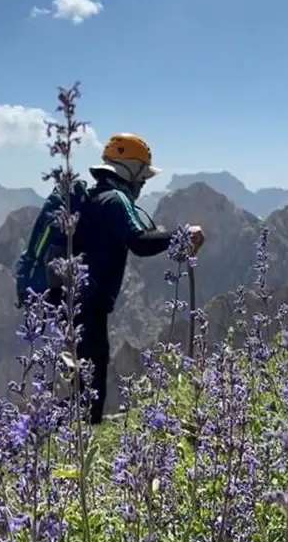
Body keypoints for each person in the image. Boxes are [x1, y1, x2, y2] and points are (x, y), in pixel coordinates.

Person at [44, 132, 204, 424]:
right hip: (87, 305)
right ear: (130, 171)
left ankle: (62, 435)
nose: (142, 184)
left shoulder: (96, 198)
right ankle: (75, 440)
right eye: (142, 177)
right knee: (92, 378)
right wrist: (182, 235)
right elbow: (139, 241)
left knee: (81, 375)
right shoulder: (116, 200)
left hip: (69, 301)